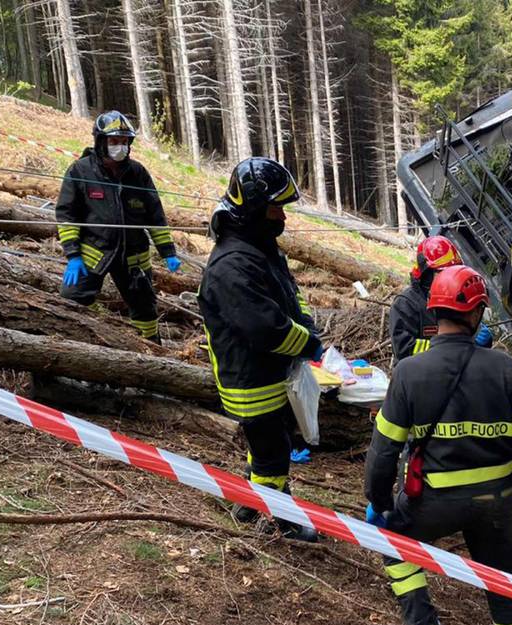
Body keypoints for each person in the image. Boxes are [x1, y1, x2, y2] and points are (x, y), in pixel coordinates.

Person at [364, 264, 512, 625]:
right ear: (476, 314)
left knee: (394, 541)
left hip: (432, 502)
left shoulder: (408, 372)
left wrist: (379, 501)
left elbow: (384, 450)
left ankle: (422, 622)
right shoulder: (503, 367)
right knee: (507, 587)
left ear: (434, 310)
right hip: (498, 503)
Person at [197, 157, 323, 542]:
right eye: (275, 208)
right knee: (273, 454)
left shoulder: (258, 246)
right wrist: (308, 343)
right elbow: (266, 329)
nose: (282, 216)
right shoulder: (232, 266)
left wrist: (306, 325)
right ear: (253, 207)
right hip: (251, 382)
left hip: (267, 373)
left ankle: (247, 503)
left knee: (264, 445)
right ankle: (283, 522)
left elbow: (288, 296)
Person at [55, 111, 181, 343]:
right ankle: (71, 347)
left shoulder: (138, 173)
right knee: (72, 300)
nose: (120, 147)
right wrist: (73, 255)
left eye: (124, 141)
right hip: (93, 252)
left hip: (134, 256)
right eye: (114, 141)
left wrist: (168, 252)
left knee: (145, 307)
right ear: (101, 142)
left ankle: (152, 348)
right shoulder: (80, 171)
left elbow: (155, 216)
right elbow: (66, 215)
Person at [389, 236, 492, 365]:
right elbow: (403, 348)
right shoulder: (405, 304)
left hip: (455, 371)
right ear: (426, 274)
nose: (451, 277)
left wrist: (479, 340)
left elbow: (464, 339)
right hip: (419, 373)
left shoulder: (457, 298)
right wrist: (445, 349)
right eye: (444, 272)